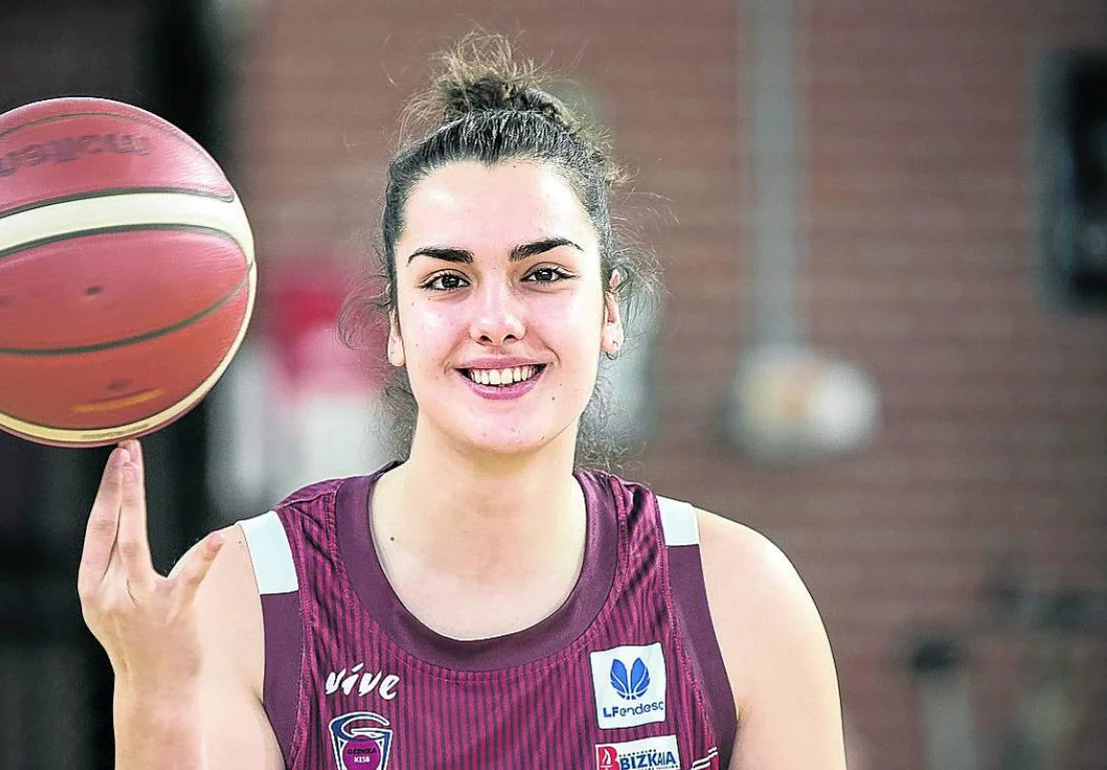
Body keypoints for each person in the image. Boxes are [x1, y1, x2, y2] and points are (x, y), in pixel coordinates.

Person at [76, 34, 847, 770]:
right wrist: (150, 694)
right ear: (394, 327)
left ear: (612, 311)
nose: (496, 321)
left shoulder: (736, 596)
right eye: (447, 280)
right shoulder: (252, 594)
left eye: (543, 274)